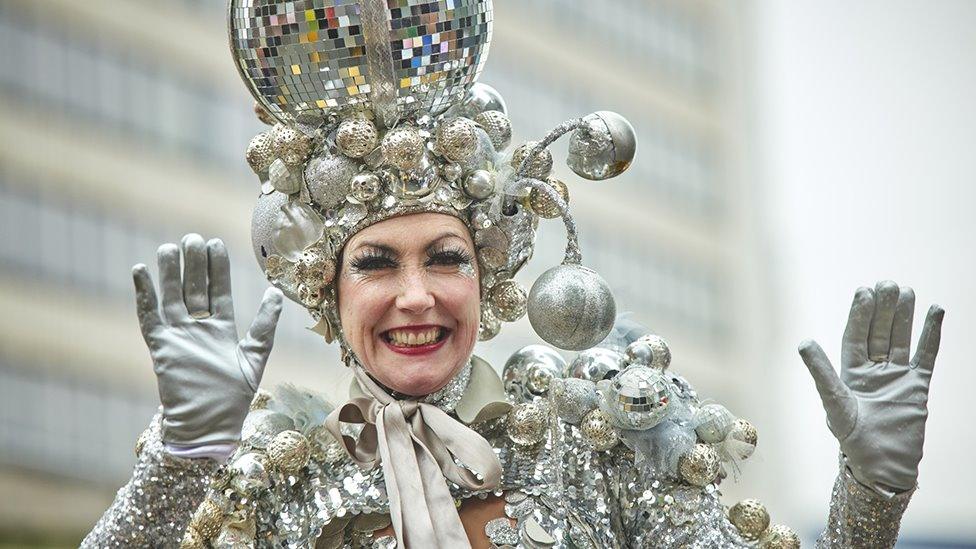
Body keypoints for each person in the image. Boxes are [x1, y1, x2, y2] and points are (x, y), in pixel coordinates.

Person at [82, 2, 944, 547]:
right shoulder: (274, 488)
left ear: (488, 275)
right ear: (327, 290)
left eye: (445, 257)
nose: (415, 295)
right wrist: (182, 460)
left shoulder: (607, 446)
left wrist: (869, 497)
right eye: (376, 262)